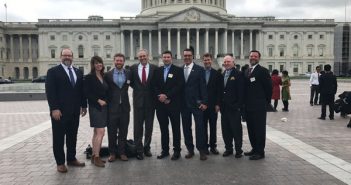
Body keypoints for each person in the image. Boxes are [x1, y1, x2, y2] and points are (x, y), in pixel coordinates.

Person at [45, 48, 87, 173]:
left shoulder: (78, 72)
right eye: (65, 55)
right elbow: (50, 92)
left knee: (72, 136)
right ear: (60, 57)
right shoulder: (53, 72)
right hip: (60, 112)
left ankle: (71, 158)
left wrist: (84, 105)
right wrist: (54, 108)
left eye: (69, 55)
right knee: (58, 138)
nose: (67, 57)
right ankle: (60, 163)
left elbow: (81, 91)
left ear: (72, 57)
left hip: (74, 112)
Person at [154, 50, 184, 160]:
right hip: (161, 105)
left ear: (171, 58)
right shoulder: (158, 71)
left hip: (173, 104)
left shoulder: (178, 70)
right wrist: (160, 96)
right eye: (164, 57)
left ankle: (177, 151)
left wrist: (167, 96)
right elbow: (154, 86)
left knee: (176, 128)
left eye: (168, 57)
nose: (166, 59)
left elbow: (179, 86)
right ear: (162, 58)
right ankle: (165, 150)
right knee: (163, 129)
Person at [244, 50, 272, 160]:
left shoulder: (263, 71)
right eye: (251, 56)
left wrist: (266, 102)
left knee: (259, 129)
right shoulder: (247, 71)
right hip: (249, 106)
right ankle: (254, 148)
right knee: (251, 128)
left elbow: (268, 88)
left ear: (259, 58)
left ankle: (260, 151)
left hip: (259, 106)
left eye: (255, 56)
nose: (253, 58)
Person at [181, 48, 208, 161]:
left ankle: (202, 150)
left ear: (193, 56)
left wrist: (205, 102)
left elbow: (203, 87)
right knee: (186, 128)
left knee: (200, 127)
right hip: (184, 104)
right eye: (185, 55)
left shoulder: (199, 69)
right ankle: (190, 149)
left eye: (189, 55)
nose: (187, 57)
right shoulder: (180, 69)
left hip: (197, 104)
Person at [130, 49, 157, 160]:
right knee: (137, 127)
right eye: (140, 56)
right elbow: (131, 82)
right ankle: (139, 150)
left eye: (144, 56)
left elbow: (156, 83)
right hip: (138, 102)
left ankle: (147, 148)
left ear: (148, 56)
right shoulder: (133, 68)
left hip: (151, 102)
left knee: (149, 127)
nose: (142, 58)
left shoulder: (155, 68)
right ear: (138, 58)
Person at [104, 53, 131, 162]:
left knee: (123, 131)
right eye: (117, 60)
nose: (119, 62)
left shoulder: (129, 73)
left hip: (125, 107)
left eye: (121, 60)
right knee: (112, 131)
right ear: (114, 61)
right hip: (112, 108)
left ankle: (122, 152)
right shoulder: (107, 75)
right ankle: (112, 153)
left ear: (124, 62)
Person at [83, 56, 108, 167]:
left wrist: (106, 100)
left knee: (96, 132)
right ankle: (97, 157)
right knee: (101, 132)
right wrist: (98, 100)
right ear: (93, 65)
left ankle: (94, 155)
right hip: (95, 107)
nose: (99, 65)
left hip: (104, 107)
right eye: (96, 63)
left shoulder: (103, 76)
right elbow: (87, 93)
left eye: (100, 63)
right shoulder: (89, 77)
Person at [220, 55, 244, 158]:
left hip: (234, 108)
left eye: (228, 61)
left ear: (233, 62)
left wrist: (238, 105)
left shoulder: (238, 74)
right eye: (225, 62)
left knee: (236, 130)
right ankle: (228, 148)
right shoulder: (223, 73)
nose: (226, 63)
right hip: (224, 108)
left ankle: (238, 150)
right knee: (226, 130)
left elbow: (241, 92)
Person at [202, 53, 222, 155]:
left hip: (213, 105)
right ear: (203, 61)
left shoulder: (217, 74)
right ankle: (205, 146)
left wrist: (218, 104)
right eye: (205, 60)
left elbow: (219, 90)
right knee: (203, 127)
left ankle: (213, 146)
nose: (207, 62)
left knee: (213, 127)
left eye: (208, 60)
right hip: (202, 106)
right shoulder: (199, 73)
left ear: (211, 60)